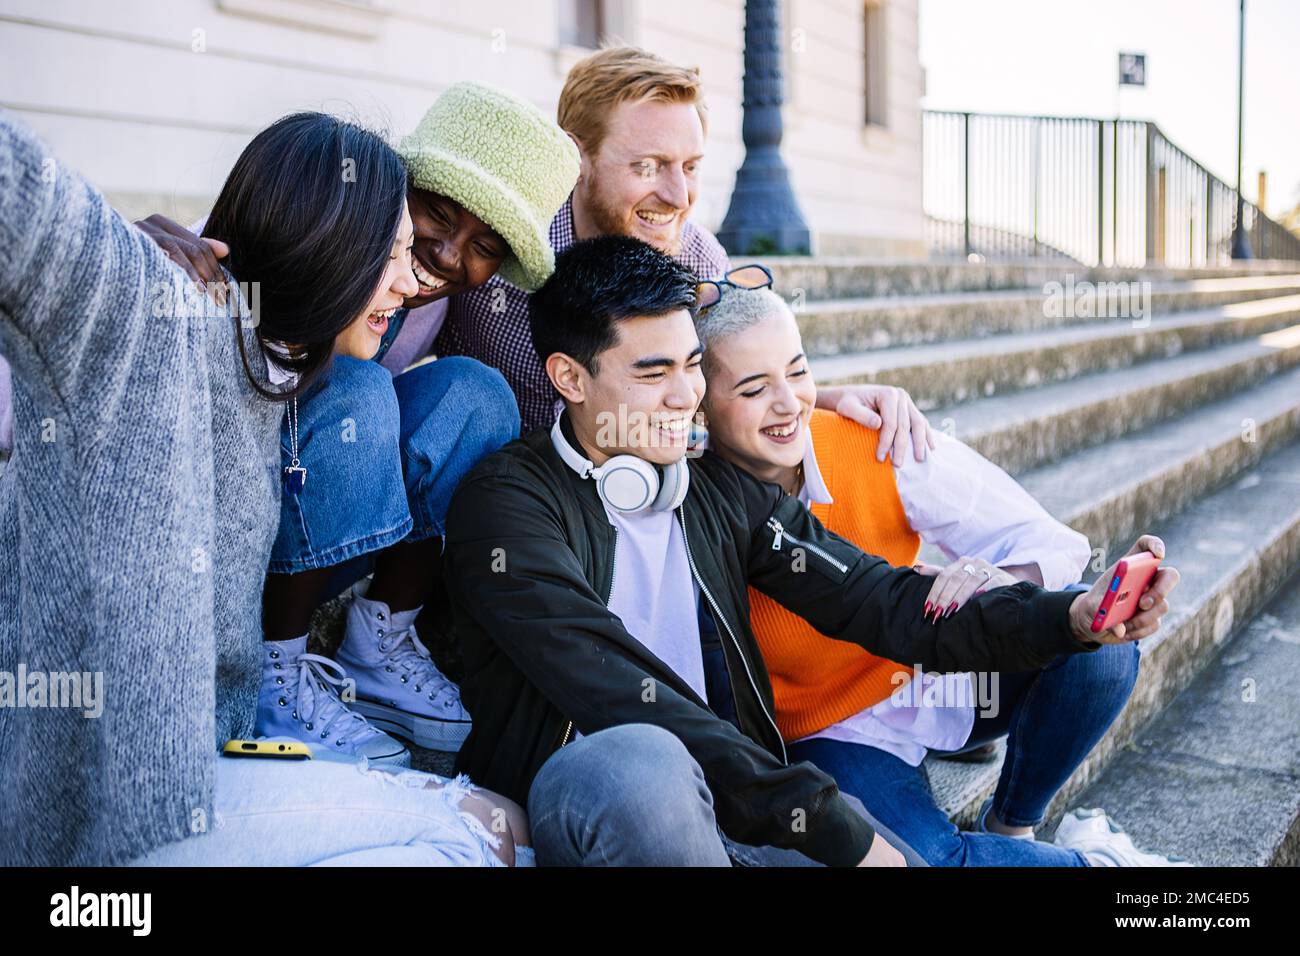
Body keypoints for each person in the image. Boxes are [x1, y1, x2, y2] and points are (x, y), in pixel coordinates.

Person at [439, 235, 1180, 867]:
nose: (684, 395)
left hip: (745, 807)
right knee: (645, 763)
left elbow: (880, 599)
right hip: (603, 807)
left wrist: (1071, 617)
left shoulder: (713, 492)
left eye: (693, 365)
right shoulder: (507, 505)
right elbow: (624, 692)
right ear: (570, 377)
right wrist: (846, 837)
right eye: (652, 372)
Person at [0, 109, 529, 866]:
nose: (414, 281)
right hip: (80, 808)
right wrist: (117, 259)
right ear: (332, 243)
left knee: (498, 827)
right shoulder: (153, 312)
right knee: (484, 833)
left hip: (200, 773)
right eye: (398, 253)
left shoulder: (275, 371)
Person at [136, 83, 581, 763]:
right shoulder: (271, 260)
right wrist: (132, 255)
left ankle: (380, 641)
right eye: (435, 215)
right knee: (360, 390)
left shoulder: (433, 292)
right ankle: (276, 667)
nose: (443, 257)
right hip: (239, 494)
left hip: (326, 491)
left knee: (475, 393)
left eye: (485, 246)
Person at [693, 282, 1191, 866]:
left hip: (937, 673)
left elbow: (1049, 543)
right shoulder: (696, 510)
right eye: (754, 389)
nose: (788, 403)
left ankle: (1012, 825)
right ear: (697, 404)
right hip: (834, 733)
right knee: (926, 861)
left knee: (1101, 647)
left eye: (798, 372)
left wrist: (995, 575)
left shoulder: (870, 438)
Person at [428, 46, 936, 460]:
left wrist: (827, 402)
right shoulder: (498, 238)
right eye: (649, 167)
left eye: (690, 167)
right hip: (488, 499)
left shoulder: (702, 264)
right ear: (577, 158)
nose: (677, 197)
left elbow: (733, 391)